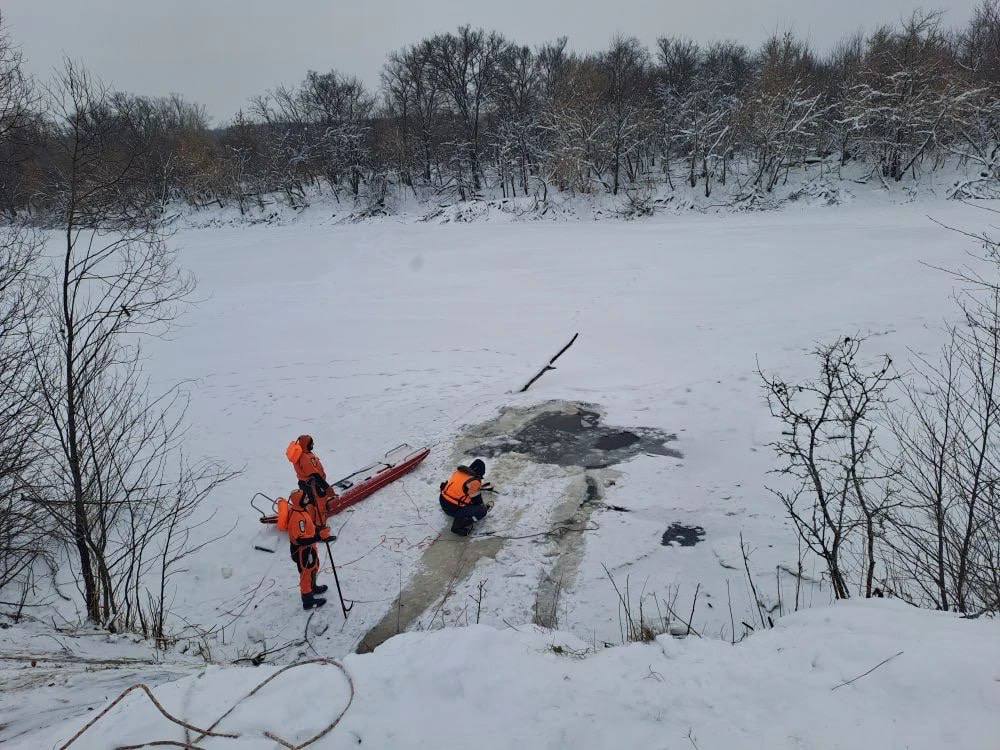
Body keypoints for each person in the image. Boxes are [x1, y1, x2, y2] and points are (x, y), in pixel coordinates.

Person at [286, 488, 333, 610]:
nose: (307, 499)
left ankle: (313, 587)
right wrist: (319, 537)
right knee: (306, 573)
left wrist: (319, 531)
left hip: (310, 547)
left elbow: (309, 527)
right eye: (305, 498)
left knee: (314, 567)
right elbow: (301, 539)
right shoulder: (297, 517)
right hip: (303, 550)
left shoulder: (302, 510)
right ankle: (307, 600)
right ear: (298, 501)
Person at [286, 434, 336, 522]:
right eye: (311, 443)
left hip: (304, 483)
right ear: (306, 445)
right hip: (313, 485)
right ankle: (319, 524)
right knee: (319, 504)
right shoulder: (304, 457)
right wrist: (327, 488)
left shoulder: (302, 454)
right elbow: (314, 475)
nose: (313, 445)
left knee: (311, 502)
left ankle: (308, 516)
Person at [439, 458, 493, 536]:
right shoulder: (474, 482)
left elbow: (459, 486)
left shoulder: (458, 472)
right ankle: (459, 525)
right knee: (482, 511)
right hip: (453, 509)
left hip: (443, 501)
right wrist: (484, 507)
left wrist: (477, 488)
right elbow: (477, 502)